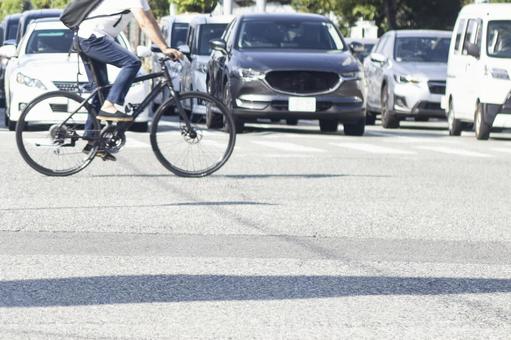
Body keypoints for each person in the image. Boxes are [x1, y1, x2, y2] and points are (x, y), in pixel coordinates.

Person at [78, 0, 183, 158]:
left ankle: (93, 141)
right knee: (133, 62)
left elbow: (151, 21)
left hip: (88, 37)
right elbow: (143, 23)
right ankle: (110, 105)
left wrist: (164, 46)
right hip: (93, 38)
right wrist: (164, 48)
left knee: (101, 90)